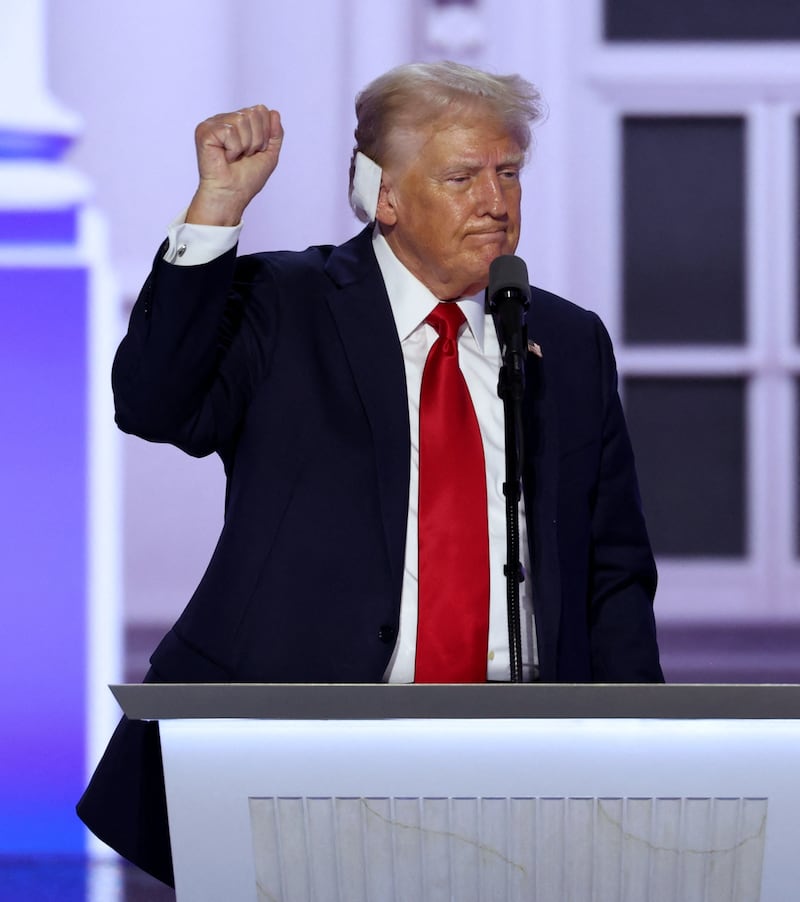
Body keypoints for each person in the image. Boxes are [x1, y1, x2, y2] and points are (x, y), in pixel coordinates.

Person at [78, 61, 662, 887]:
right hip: (295, 759)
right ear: (383, 196)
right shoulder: (287, 301)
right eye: (463, 177)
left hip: (523, 769)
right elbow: (153, 403)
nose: (495, 202)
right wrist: (217, 210)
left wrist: (645, 754)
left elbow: (613, 572)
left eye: (508, 173)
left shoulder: (566, 340)